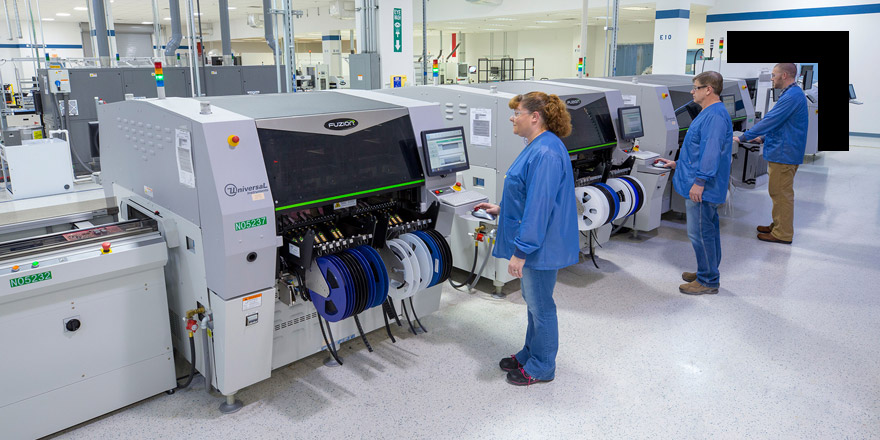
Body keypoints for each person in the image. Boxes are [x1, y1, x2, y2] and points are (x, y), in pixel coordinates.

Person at [473, 92, 579, 386]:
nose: (512, 117)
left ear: (535, 117)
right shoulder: (539, 146)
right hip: (539, 241)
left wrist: (522, 252)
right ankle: (530, 353)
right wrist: (501, 208)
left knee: (541, 305)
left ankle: (543, 366)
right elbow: (528, 196)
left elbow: (539, 206)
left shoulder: (545, 152)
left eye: (517, 112)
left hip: (540, 245)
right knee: (534, 303)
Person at [655, 71, 733, 295]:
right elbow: (697, 151)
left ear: (708, 89)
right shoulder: (710, 112)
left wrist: (700, 181)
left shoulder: (715, 116)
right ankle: (705, 271)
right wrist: (676, 164)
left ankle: (708, 280)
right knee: (708, 229)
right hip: (701, 180)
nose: (692, 91)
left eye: (696, 87)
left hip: (703, 186)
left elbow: (710, 153)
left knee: (700, 233)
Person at [734, 63, 809, 244]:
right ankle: (778, 224)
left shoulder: (791, 96)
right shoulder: (793, 94)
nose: (772, 79)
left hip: (784, 154)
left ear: (784, 75)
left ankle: (782, 233)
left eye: (774, 75)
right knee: (778, 192)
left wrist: (743, 137)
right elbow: (783, 124)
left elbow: (771, 120)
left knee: (781, 193)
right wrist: (763, 138)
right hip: (784, 149)